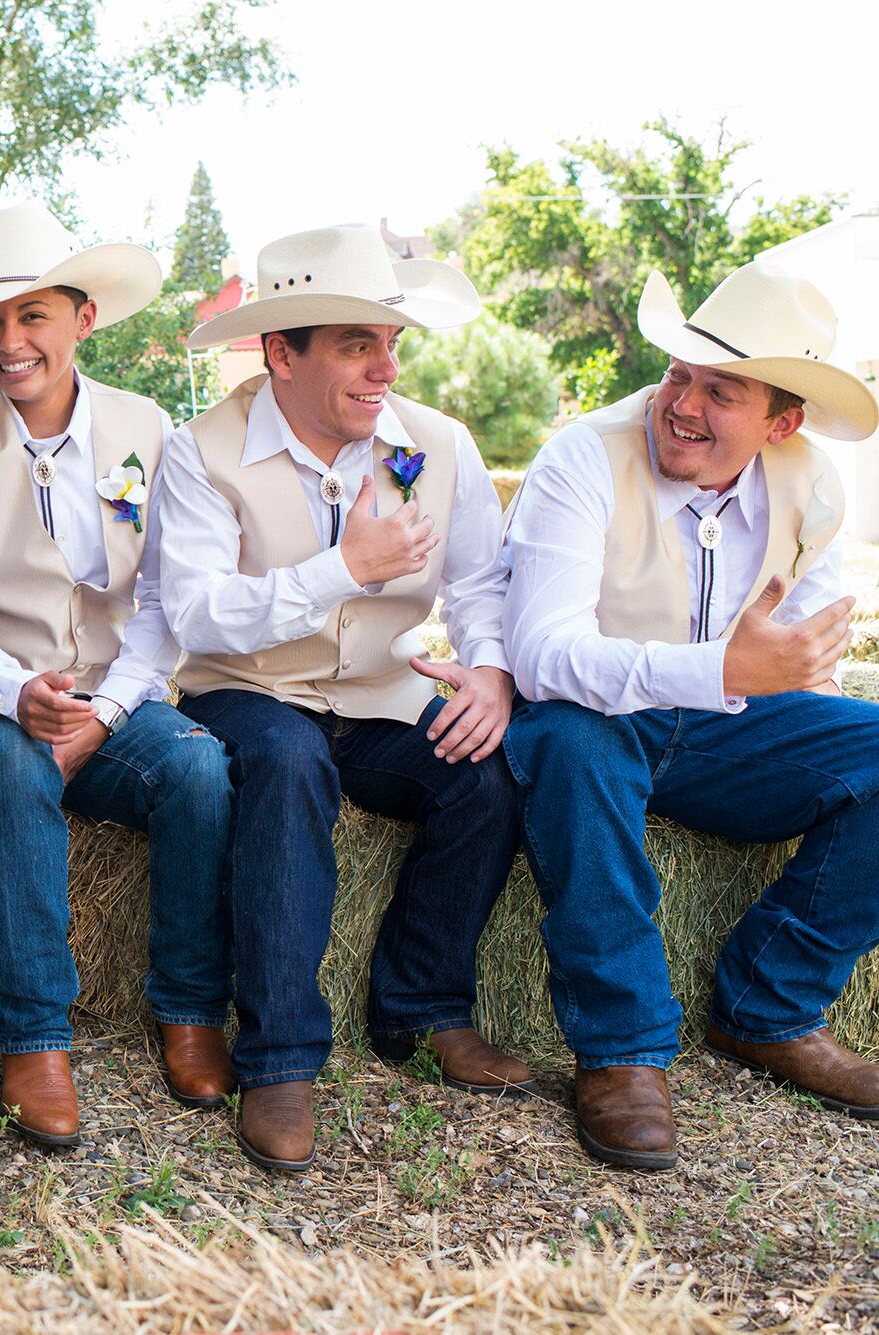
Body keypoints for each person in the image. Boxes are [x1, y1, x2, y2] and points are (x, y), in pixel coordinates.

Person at [158, 223, 532, 1173]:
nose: (385, 368)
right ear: (280, 353)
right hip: (245, 688)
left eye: (393, 342)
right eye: (357, 345)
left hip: (379, 688)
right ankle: (281, 1058)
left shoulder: (436, 445)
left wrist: (488, 671)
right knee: (287, 765)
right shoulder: (201, 452)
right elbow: (198, 615)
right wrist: (340, 569)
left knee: (481, 775)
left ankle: (423, 1007)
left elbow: (483, 583)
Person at [501, 260, 879, 1171]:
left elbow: (801, 659)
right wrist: (716, 667)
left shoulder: (811, 483)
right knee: (568, 740)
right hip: (598, 714)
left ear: (780, 422)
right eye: (679, 373)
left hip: (725, 732)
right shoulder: (583, 456)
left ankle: (769, 1006)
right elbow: (540, 654)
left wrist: (793, 713)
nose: (682, 403)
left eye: (722, 390)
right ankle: (624, 1048)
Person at [0, 201, 234, 1146]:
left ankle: (188, 1006)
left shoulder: (149, 428)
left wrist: (113, 704)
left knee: (199, 768)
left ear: (83, 318)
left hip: (118, 686)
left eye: (32, 314)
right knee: (6, 770)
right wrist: (18, 695)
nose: (9, 342)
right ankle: (34, 1036)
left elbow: (168, 595)